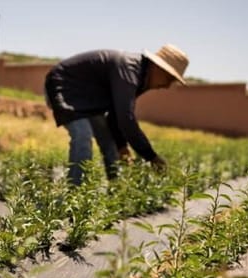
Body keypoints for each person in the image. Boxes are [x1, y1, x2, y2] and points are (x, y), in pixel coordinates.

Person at [44, 44, 189, 186]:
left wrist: (122, 146)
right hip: (64, 86)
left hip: (87, 99)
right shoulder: (129, 70)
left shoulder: (142, 77)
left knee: (109, 143)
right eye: (169, 79)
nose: (167, 86)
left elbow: (115, 113)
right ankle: (73, 198)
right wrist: (151, 156)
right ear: (158, 67)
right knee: (82, 137)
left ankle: (116, 190)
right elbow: (125, 118)